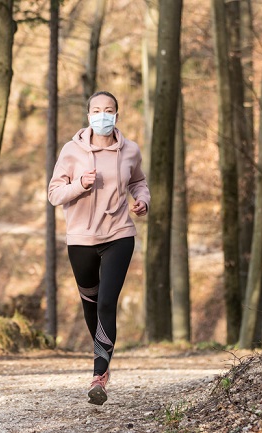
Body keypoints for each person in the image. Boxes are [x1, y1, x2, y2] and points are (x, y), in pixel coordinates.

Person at [47, 91, 150, 405]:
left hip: (119, 235)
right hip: (80, 240)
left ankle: (99, 375)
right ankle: (102, 356)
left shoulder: (130, 150)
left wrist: (142, 199)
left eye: (108, 110)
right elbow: (54, 194)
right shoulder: (71, 151)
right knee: (90, 304)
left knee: (107, 301)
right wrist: (80, 184)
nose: (102, 115)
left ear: (117, 115)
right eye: (96, 110)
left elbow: (138, 181)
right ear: (88, 114)